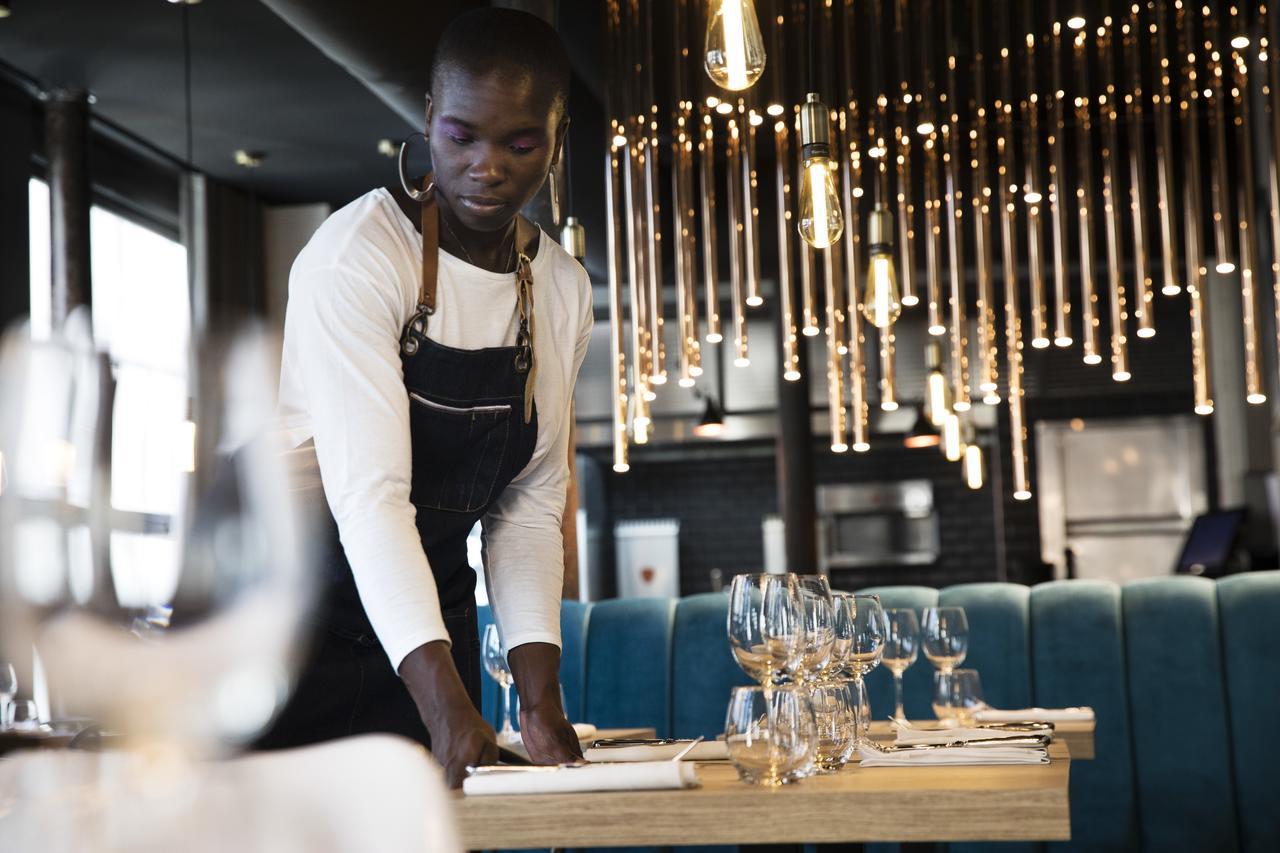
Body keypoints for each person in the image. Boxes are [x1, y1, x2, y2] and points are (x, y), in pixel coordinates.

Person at [259, 8, 592, 787]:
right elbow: (371, 499)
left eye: (520, 143)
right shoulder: (356, 259)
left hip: (428, 616)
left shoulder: (561, 288)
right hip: (286, 626)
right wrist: (445, 707)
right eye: (462, 137)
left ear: (556, 137)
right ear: (430, 120)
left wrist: (539, 702)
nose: (487, 167)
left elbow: (532, 501)